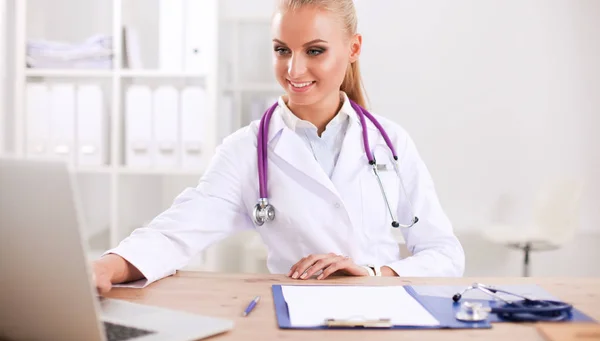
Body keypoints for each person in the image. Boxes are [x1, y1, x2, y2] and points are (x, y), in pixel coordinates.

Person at [93, 0, 465, 294]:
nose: (294, 70)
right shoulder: (246, 150)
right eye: (282, 49)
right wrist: (105, 267)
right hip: (294, 316)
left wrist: (373, 272)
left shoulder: (390, 143)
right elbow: (176, 232)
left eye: (314, 51)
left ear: (354, 48)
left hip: (385, 313)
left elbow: (444, 254)